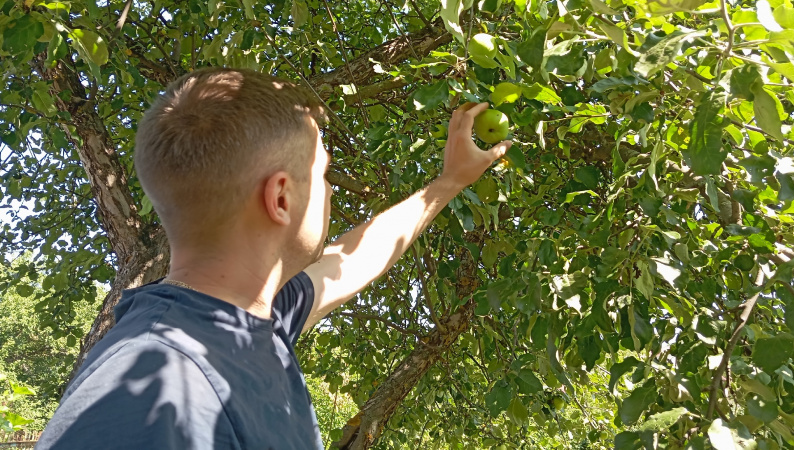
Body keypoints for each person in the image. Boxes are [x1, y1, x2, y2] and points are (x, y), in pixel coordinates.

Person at [37, 67, 511, 449]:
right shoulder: (151, 390)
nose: (328, 192)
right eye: (323, 175)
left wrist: (449, 182)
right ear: (281, 198)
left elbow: (357, 256)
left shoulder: (250, 320)